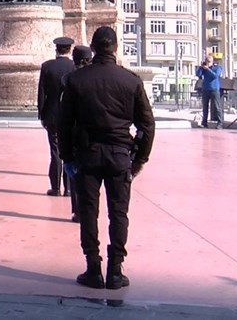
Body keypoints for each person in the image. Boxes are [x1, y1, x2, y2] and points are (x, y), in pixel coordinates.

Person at [58, 26, 155, 290]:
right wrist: (139, 159)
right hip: (119, 155)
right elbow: (147, 125)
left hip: (87, 155)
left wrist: (68, 158)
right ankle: (115, 270)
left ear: (93, 46)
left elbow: (64, 124)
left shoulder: (76, 81)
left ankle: (93, 267)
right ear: (115, 47)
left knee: (89, 212)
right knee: (119, 213)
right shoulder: (131, 81)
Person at [37, 37, 75, 197]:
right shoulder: (75, 67)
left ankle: (56, 188)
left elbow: (42, 94)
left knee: (55, 152)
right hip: (71, 116)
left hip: (52, 116)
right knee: (70, 152)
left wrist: (42, 114)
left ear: (56, 49)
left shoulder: (47, 66)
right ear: (70, 49)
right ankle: (68, 188)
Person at [62, 45, 93, 222]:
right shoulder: (98, 77)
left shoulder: (69, 80)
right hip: (96, 135)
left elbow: (64, 116)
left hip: (76, 136)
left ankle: (79, 211)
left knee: (77, 176)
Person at [196, 55, 223, 129]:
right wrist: (201, 67)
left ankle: (220, 123)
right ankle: (204, 122)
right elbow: (198, 74)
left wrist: (208, 69)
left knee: (217, 106)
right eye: (207, 61)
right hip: (205, 89)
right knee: (205, 107)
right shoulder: (204, 68)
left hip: (214, 89)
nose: (208, 63)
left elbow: (215, 76)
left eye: (209, 61)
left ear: (212, 61)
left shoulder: (217, 68)